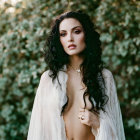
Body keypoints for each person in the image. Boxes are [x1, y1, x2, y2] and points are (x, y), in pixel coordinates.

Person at [27, 11, 126, 140]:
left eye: (76, 31)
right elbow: (38, 129)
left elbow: (116, 129)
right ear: (59, 40)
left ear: (87, 35)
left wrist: (98, 122)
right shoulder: (49, 78)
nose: (70, 38)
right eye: (63, 34)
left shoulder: (104, 77)